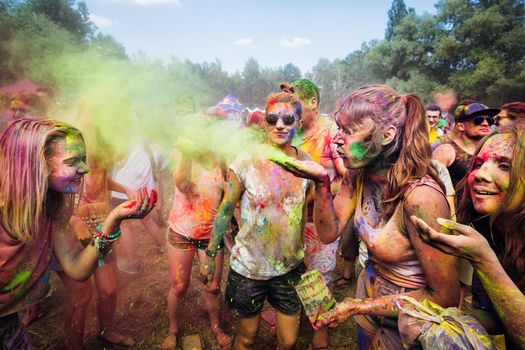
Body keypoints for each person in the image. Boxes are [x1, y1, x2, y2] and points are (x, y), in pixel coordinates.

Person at [274, 85, 460, 349]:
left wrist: (355, 306)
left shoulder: (421, 198)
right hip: (370, 296)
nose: (337, 139)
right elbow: (328, 233)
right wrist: (322, 183)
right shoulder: (357, 175)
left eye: (348, 131)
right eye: (339, 128)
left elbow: (446, 296)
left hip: (409, 320)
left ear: (387, 135)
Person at [0, 118, 156, 349]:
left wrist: (112, 222)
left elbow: (77, 268)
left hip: (9, 328)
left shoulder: (53, 208)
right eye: (74, 162)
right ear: (36, 165)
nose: (85, 168)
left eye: (83, 159)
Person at [200, 92, 314, 350]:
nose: (280, 124)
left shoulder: (306, 163)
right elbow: (225, 210)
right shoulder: (245, 162)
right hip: (249, 269)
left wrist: (301, 251)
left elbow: (304, 212)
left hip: (288, 268)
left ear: (298, 123)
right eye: (273, 118)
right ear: (265, 122)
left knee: (289, 341)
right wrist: (210, 256)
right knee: (247, 338)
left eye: (288, 118)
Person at [412, 123, 525, 349]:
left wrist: (484, 260)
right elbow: (499, 314)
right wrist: (441, 320)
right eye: (479, 163)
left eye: (504, 165)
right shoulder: (491, 228)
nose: (481, 174)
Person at [283, 79, 346, 349]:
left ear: (313, 102)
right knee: (293, 273)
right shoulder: (291, 131)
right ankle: (292, 321)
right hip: (291, 221)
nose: (291, 112)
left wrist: (317, 193)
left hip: (320, 223)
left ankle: (320, 337)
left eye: (296, 104)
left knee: (319, 279)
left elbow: (348, 177)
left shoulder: (332, 133)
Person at [161, 143, 231, 350]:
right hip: (181, 232)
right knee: (179, 286)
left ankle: (216, 327)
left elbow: (228, 194)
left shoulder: (222, 157)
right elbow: (183, 184)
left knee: (213, 286)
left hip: (211, 235)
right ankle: (173, 330)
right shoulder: (180, 153)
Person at [112, 140, 167, 274]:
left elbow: (115, 161)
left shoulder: (121, 140)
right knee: (146, 219)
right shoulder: (145, 140)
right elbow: (162, 162)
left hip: (124, 190)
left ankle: (131, 263)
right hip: (144, 190)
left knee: (124, 225)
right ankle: (164, 247)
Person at [432, 102, 499, 187]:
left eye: (490, 120)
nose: (485, 124)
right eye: (478, 120)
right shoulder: (446, 151)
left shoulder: (492, 151)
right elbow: (432, 186)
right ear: (461, 126)